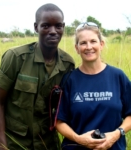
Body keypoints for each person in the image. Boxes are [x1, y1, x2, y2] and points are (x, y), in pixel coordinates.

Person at [0, 3, 75, 150]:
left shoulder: (67, 64)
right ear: (36, 27)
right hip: (11, 139)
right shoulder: (16, 57)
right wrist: (1, 147)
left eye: (58, 26)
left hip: (45, 141)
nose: (53, 31)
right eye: (46, 26)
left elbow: (63, 108)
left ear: (63, 27)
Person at [56, 22, 131, 150]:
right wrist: (78, 139)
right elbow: (59, 121)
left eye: (93, 41)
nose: (88, 47)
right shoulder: (69, 80)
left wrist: (116, 134)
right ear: (77, 48)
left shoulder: (118, 76)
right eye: (83, 43)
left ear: (101, 45)